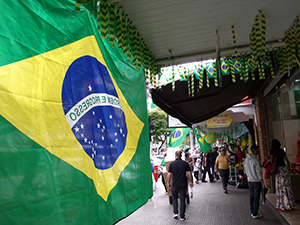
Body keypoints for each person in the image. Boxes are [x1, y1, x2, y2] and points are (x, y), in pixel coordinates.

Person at [167, 150, 194, 221]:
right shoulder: (185, 163)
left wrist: (168, 183)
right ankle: (182, 216)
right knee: (182, 199)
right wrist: (191, 182)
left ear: (175, 155)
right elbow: (189, 173)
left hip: (175, 184)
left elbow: (169, 174)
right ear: (181, 155)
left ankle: (175, 213)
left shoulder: (172, 164)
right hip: (183, 184)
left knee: (175, 198)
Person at [270, 139, 295, 211]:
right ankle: (290, 203)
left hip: (278, 171)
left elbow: (271, 161)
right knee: (287, 187)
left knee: (281, 188)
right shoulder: (282, 151)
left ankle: (282, 204)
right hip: (284, 170)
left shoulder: (272, 152)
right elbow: (287, 161)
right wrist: (288, 170)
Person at [244, 146, 266, 219]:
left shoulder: (246, 160)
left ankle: (252, 211)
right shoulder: (256, 161)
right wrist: (262, 182)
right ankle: (255, 213)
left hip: (250, 180)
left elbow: (245, 169)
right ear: (255, 151)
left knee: (252, 196)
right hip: (256, 181)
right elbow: (258, 172)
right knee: (256, 197)